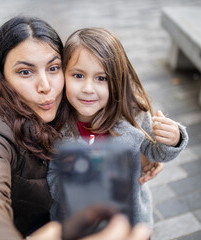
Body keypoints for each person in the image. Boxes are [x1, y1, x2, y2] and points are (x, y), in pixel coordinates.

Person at [0, 16, 151, 240]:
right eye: (25, 72)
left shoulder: (60, 105)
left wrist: (146, 148)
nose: (45, 86)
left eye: (53, 68)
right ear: (1, 77)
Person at [49, 27, 188, 228]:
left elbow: (156, 153)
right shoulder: (56, 126)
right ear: (63, 75)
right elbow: (52, 176)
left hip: (129, 223)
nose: (88, 88)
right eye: (78, 76)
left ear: (117, 81)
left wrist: (173, 139)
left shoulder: (132, 116)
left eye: (101, 78)